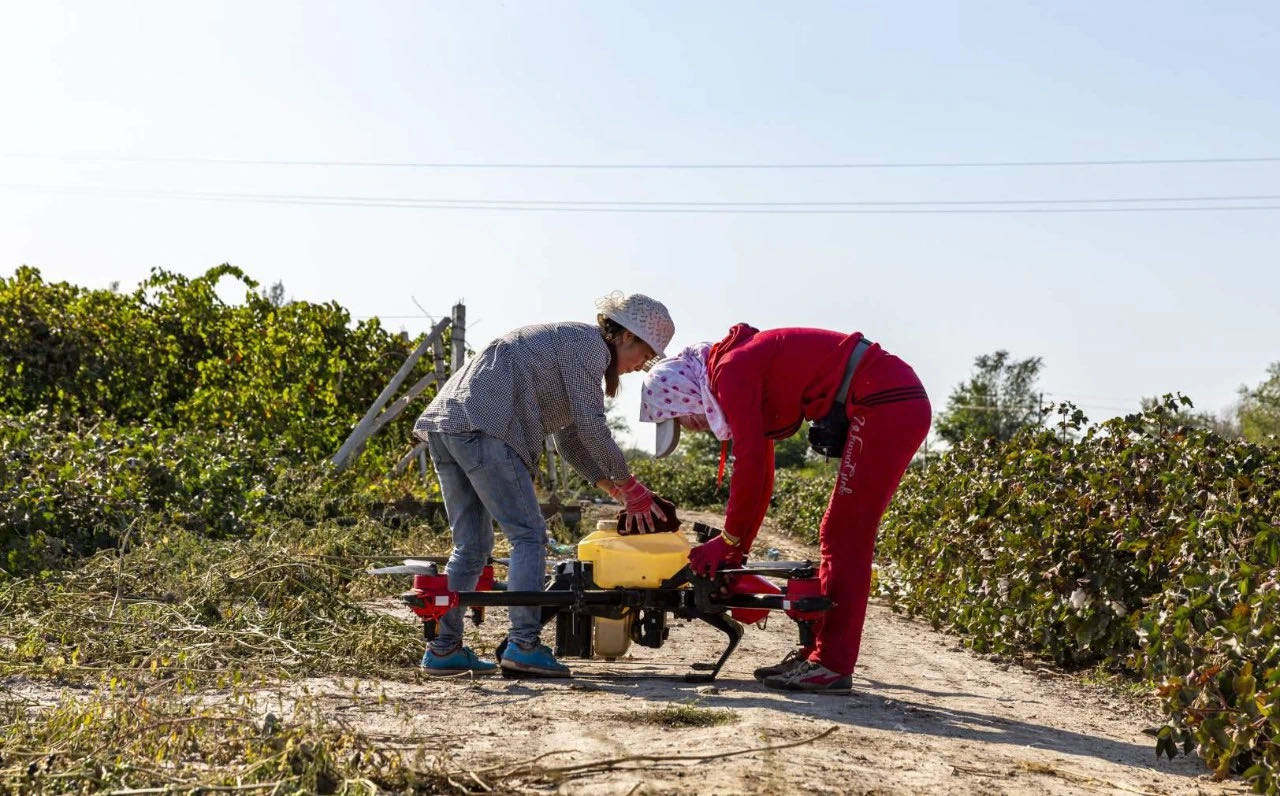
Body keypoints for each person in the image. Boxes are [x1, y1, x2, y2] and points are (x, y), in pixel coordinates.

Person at [640, 325, 930, 693]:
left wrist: (728, 542)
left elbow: (751, 463)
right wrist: (736, 546)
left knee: (844, 534)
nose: (691, 428)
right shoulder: (732, 368)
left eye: (680, 418)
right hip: (885, 395)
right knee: (838, 531)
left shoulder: (731, 371)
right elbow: (762, 474)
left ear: (682, 395)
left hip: (886, 399)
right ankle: (816, 655)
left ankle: (831, 664)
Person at [413, 292, 675, 677]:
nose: (643, 366)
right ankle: (523, 645)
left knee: (472, 545)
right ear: (626, 337)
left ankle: (444, 649)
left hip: (447, 425)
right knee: (529, 536)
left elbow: (569, 440)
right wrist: (631, 485)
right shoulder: (588, 347)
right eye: (646, 354)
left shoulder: (572, 346)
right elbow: (591, 426)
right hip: (485, 426)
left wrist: (610, 484)